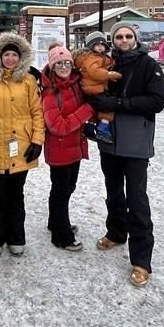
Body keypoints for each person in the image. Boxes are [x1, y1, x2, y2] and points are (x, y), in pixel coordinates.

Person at [85, 21, 164, 288]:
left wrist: (120, 103)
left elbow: (157, 102)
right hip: (109, 141)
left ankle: (141, 261)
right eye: (118, 36)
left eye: (127, 36)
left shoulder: (148, 65)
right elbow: (93, 88)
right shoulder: (108, 63)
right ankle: (117, 232)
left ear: (135, 38)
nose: (123, 40)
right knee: (113, 192)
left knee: (137, 198)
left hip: (135, 143)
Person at [0, 31, 45, 258]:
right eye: (7, 55)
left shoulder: (29, 80)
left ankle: (16, 236)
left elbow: (37, 112)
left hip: (22, 145)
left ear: (20, 57)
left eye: (15, 55)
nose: (11, 59)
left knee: (16, 194)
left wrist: (37, 141)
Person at [41, 43, 94, 251]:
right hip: (60, 148)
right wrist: (86, 111)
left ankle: (55, 222)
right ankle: (61, 236)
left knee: (67, 188)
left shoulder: (74, 84)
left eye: (67, 63)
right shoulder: (50, 93)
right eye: (59, 64)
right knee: (61, 190)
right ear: (52, 67)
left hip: (75, 147)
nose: (64, 67)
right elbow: (57, 126)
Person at [73, 31, 122, 143]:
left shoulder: (100, 57)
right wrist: (109, 75)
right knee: (108, 107)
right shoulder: (92, 58)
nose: (100, 47)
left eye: (102, 45)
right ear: (91, 46)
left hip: (95, 88)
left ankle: (90, 128)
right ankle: (103, 129)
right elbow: (94, 72)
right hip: (94, 88)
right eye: (97, 45)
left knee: (94, 109)